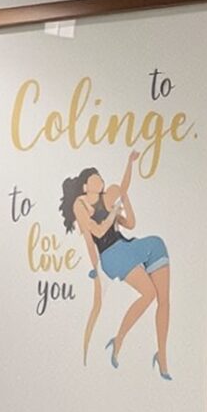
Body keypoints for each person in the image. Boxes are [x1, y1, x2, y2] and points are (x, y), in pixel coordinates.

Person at [59, 154, 173, 377]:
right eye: (94, 178)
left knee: (157, 248)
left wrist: (125, 192)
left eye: (100, 177)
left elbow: (130, 223)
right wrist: (95, 268)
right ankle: (119, 339)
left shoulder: (108, 196)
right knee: (148, 293)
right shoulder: (80, 204)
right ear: (85, 185)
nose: (99, 179)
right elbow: (97, 234)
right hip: (111, 254)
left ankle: (162, 354)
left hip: (126, 246)